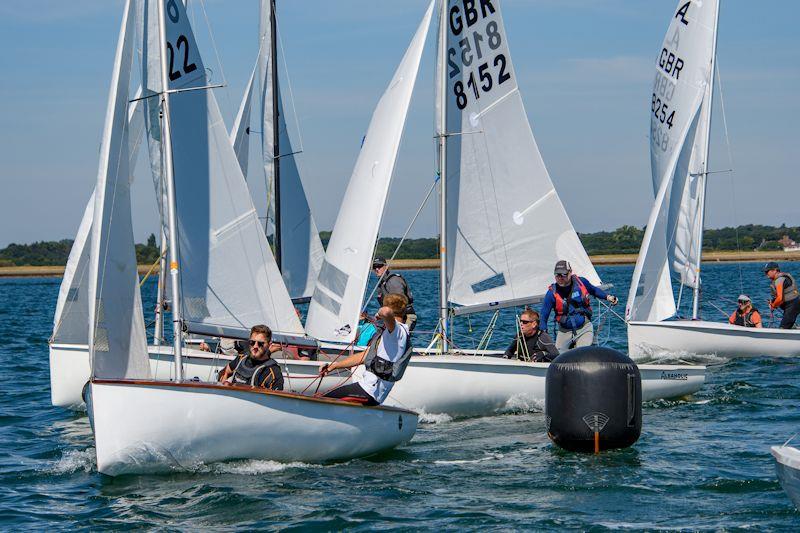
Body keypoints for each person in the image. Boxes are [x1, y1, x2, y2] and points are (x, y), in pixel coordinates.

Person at [319, 293, 412, 406]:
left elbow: (386, 312)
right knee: (326, 398)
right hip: (371, 390)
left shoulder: (397, 331)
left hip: (369, 390)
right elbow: (364, 356)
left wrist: (379, 314)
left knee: (322, 400)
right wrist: (334, 366)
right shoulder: (393, 333)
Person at [540, 260, 619, 351]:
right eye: (557, 275)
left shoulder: (581, 282)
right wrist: (543, 332)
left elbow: (594, 290)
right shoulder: (551, 293)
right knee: (558, 356)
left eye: (563, 274)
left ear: (570, 272)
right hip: (564, 330)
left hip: (584, 327)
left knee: (582, 352)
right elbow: (544, 315)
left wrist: (608, 297)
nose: (560, 278)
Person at [217, 324, 284, 390]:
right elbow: (225, 372)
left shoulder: (273, 372)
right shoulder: (241, 358)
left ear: (269, 345)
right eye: (252, 342)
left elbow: (276, 399)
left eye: (260, 343)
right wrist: (224, 383)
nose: (255, 346)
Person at [372, 257, 417, 332]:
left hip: (405, 317)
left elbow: (399, 304)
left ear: (386, 267)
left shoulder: (394, 281)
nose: (377, 269)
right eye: (374, 267)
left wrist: (382, 313)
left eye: (379, 266)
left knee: (398, 339)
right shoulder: (382, 282)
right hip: (392, 317)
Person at [764, 262, 800, 329]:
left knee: (783, 328)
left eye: (767, 271)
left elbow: (780, 298)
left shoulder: (779, 280)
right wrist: (773, 302)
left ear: (774, 270)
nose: (766, 274)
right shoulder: (779, 279)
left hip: (792, 305)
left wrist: (773, 305)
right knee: (789, 325)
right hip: (793, 304)